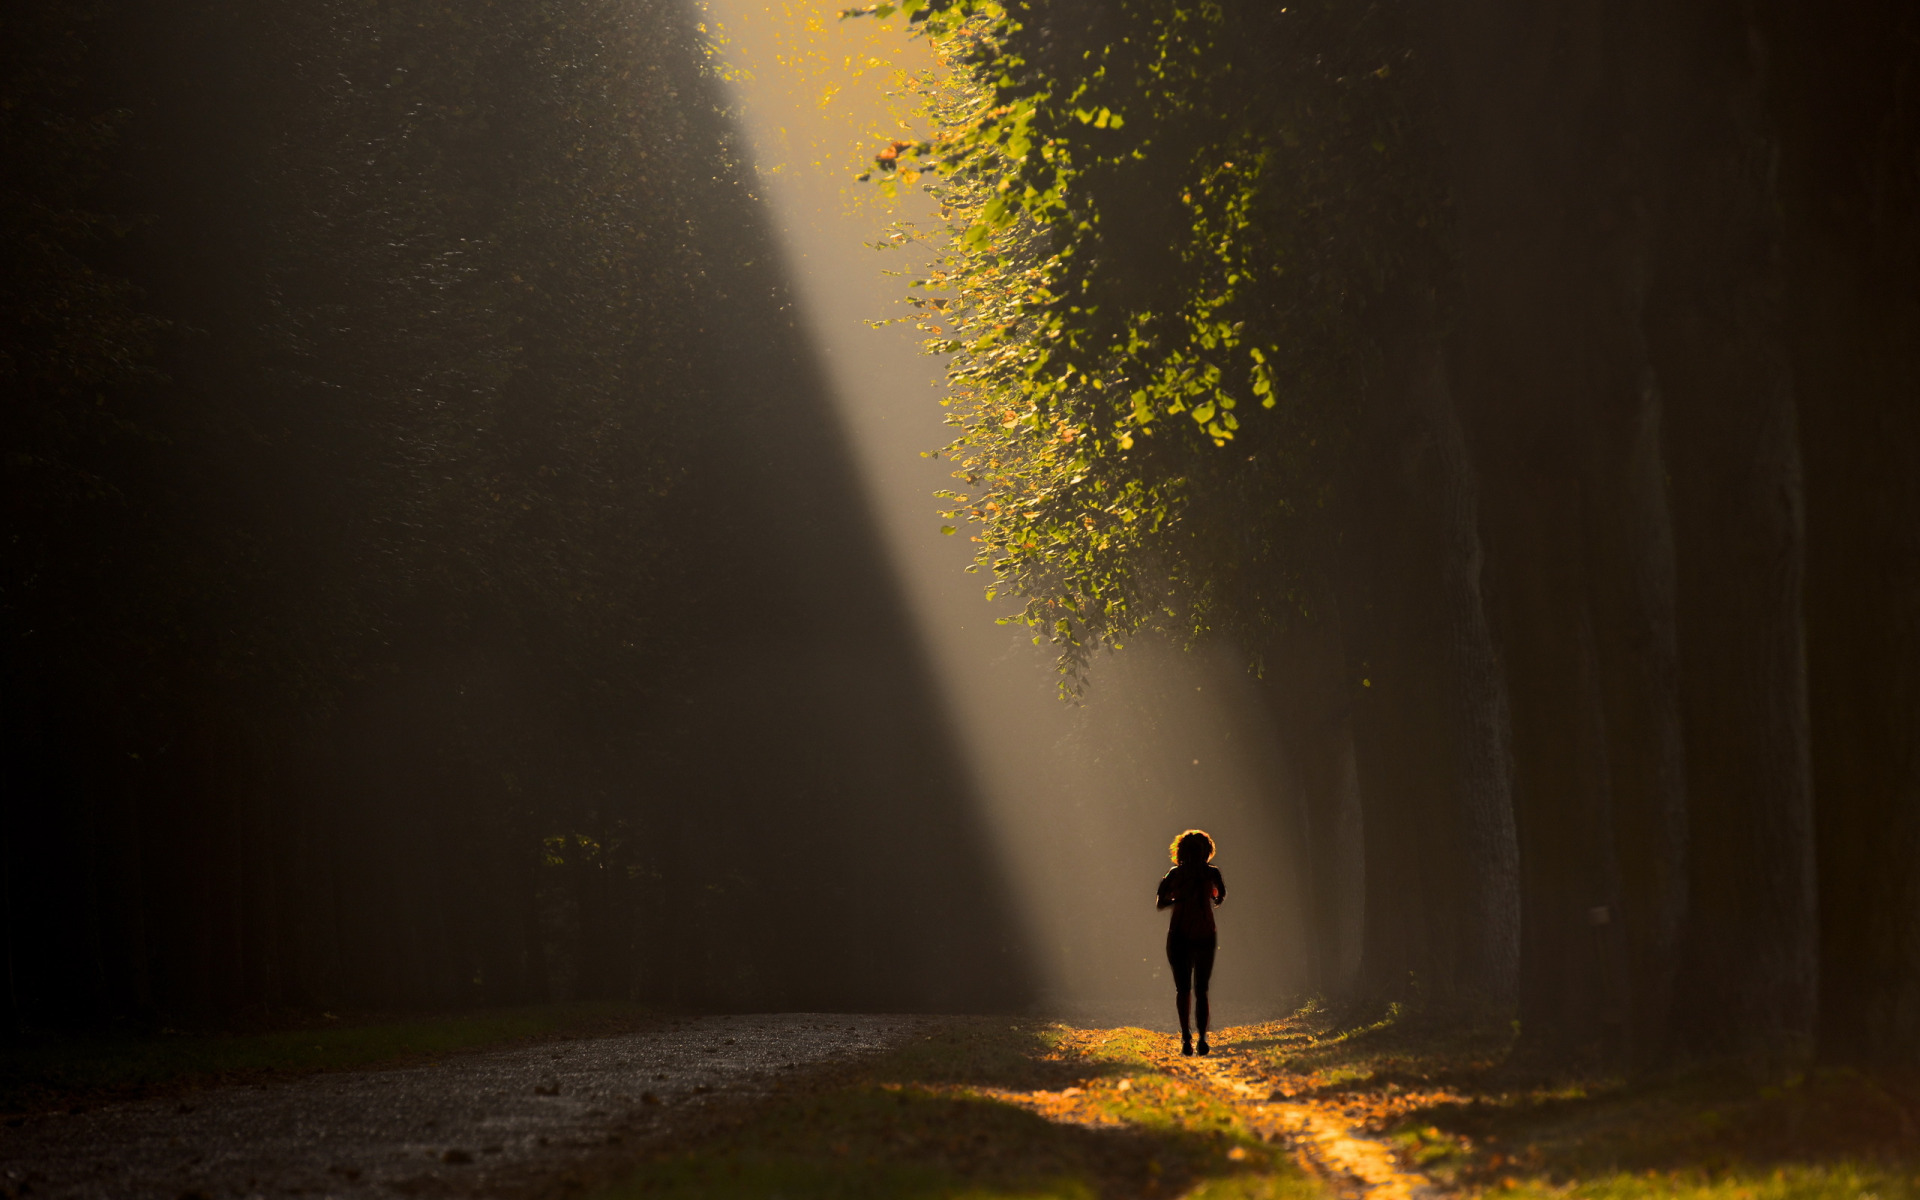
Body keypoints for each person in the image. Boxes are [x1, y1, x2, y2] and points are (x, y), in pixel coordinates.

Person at [1156, 828, 1226, 1055]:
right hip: (1203, 934)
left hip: (1180, 934)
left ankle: (1187, 1037)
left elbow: (1160, 901)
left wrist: (1180, 899)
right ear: (1207, 851)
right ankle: (1201, 1037)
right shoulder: (1211, 873)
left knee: (1184, 989)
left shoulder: (1174, 874)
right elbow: (1220, 896)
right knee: (1200, 989)